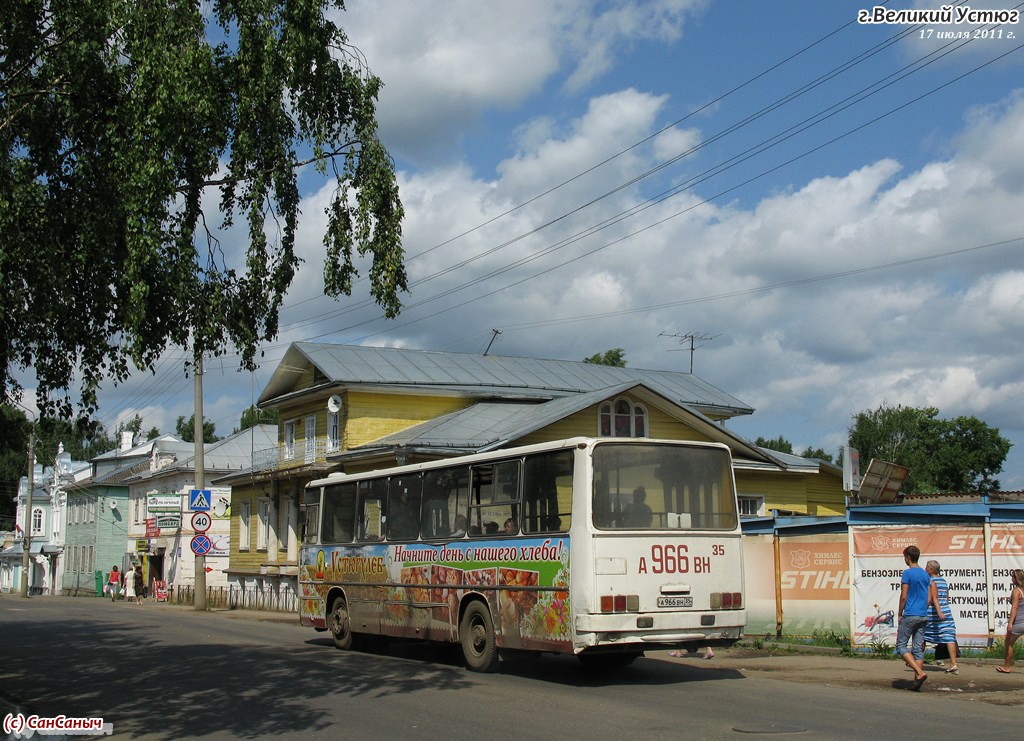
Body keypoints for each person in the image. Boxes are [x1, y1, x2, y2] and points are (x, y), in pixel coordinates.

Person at [896, 545, 931, 688]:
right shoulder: (925, 574)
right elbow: (929, 597)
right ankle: (917, 681)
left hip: (910, 614)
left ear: (908, 558)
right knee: (917, 649)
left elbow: (904, 596)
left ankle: (919, 672)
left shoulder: (907, 574)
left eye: (905, 557)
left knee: (901, 646)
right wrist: (923, 608)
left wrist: (899, 613)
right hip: (923, 615)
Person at [924, 560, 958, 674]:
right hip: (946, 611)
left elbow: (933, 598)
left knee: (923, 635)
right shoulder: (943, 581)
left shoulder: (931, 581)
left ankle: (916, 659)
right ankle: (953, 663)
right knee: (949, 637)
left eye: (927, 567)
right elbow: (947, 598)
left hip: (933, 614)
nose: (925, 569)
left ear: (932, 569)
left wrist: (937, 611)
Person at [997, 569, 1024, 674]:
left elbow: (1015, 608)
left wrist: (1010, 623)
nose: (1011, 579)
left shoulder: (1016, 591)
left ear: (1016, 579)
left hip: (1018, 623)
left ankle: (1007, 667)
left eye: (1012, 577)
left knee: (1009, 644)